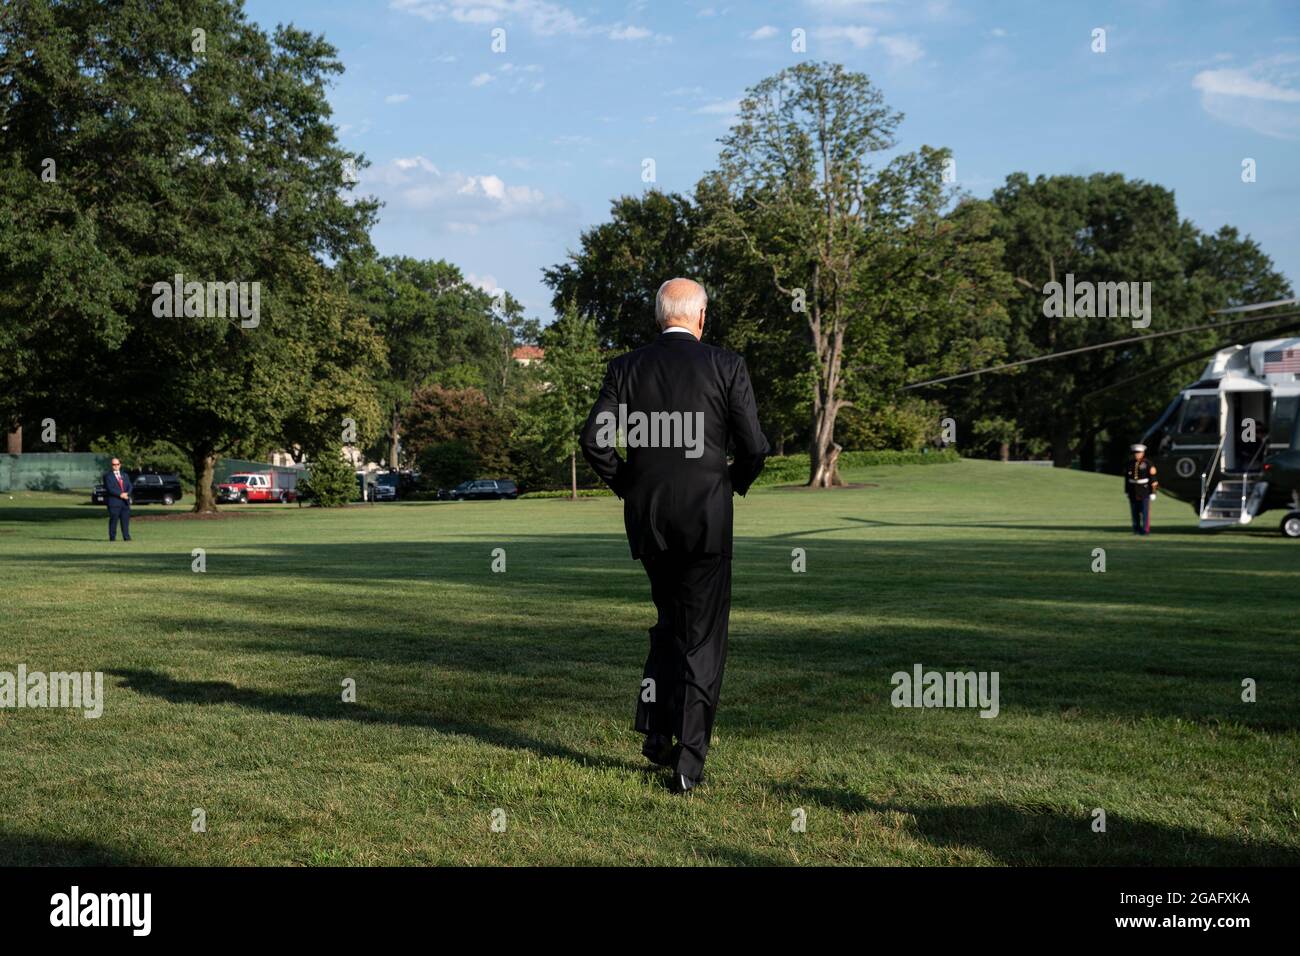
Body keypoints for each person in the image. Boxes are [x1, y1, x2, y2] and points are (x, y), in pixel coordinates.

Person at [580, 278, 769, 794]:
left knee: (670, 626)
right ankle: (687, 762)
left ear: (658, 316)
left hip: (651, 520)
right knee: (702, 639)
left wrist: (630, 485)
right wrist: (731, 483)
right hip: (707, 518)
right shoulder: (725, 365)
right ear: (701, 317)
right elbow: (754, 445)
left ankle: (657, 734)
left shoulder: (626, 368)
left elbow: (594, 444)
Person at [1124, 443, 1158, 535]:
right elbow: (1127, 479)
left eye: (1139, 452)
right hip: (1133, 490)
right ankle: (1136, 529)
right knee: (1134, 511)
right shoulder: (1129, 463)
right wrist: (1126, 491)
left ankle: (1145, 530)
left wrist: (1153, 492)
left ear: (1143, 453)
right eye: (1135, 452)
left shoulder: (1148, 464)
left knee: (1144, 511)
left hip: (1144, 490)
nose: (1137, 454)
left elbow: (1153, 479)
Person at [103, 457, 133, 542]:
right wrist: (121, 495)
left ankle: (126, 538)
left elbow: (130, 486)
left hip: (125, 502)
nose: (115, 466)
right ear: (111, 465)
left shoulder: (125, 475)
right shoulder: (107, 476)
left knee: (125, 522)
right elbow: (110, 488)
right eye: (114, 464)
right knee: (113, 521)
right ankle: (112, 538)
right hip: (114, 503)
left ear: (120, 465)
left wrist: (127, 493)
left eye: (117, 464)